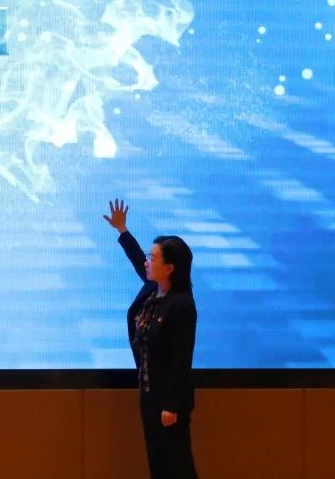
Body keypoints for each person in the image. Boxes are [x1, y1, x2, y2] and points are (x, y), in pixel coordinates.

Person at [103, 198, 199, 479]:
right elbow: (138, 262)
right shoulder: (152, 289)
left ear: (170, 268)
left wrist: (172, 405)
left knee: (178, 467)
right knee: (158, 464)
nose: (148, 262)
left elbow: (182, 359)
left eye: (154, 258)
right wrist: (122, 230)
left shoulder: (181, 305)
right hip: (148, 395)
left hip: (168, 400)